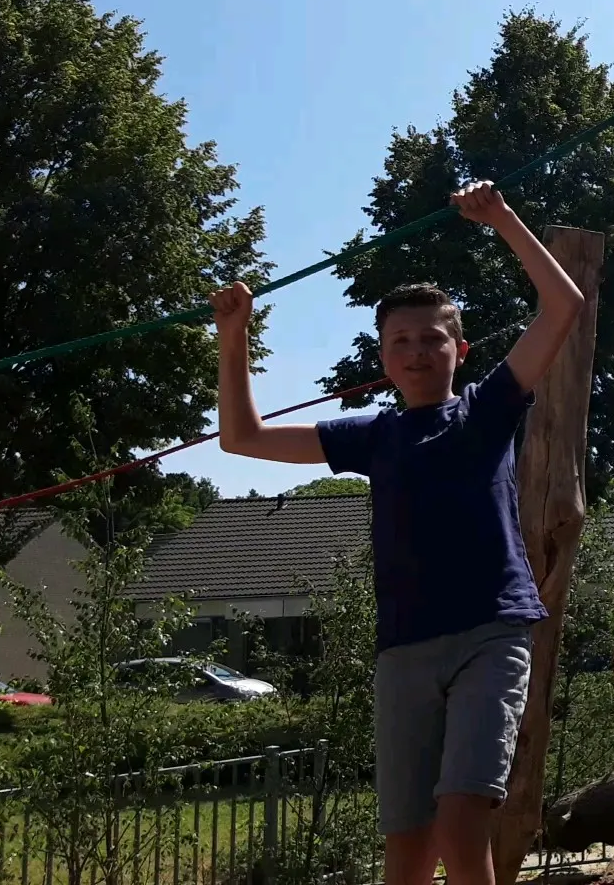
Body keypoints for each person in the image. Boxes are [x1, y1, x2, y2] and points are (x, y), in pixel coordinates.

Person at [209, 180, 584, 885]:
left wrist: (501, 217)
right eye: (400, 341)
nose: (416, 351)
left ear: (460, 349)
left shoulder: (486, 410)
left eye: (431, 338)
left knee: (461, 820)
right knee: (407, 848)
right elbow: (241, 437)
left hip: (490, 633)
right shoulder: (374, 436)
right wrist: (234, 336)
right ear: (382, 357)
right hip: (404, 648)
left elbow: (563, 305)